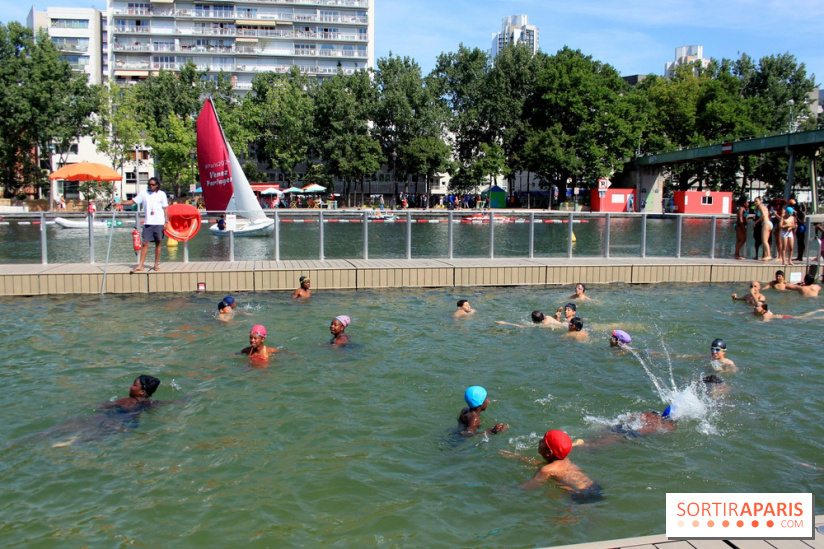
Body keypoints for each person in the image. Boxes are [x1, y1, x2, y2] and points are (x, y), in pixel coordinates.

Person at [503, 430, 601, 501]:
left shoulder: (546, 470)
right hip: (593, 487)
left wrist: (510, 488)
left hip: (581, 495)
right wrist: (519, 457)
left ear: (549, 453)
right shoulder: (565, 461)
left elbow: (532, 485)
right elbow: (545, 465)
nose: (539, 441)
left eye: (542, 441)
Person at [120, 177, 170, 273]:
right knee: (145, 243)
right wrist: (121, 203)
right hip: (148, 222)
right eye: (149, 184)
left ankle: (156, 265)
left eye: (152, 185)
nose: (150, 186)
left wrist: (166, 221)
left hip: (159, 222)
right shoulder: (144, 193)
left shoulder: (162, 194)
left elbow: (165, 208)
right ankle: (141, 265)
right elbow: (133, 201)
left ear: (157, 185)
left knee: (158, 243)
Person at [753, 197, 773, 261]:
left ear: (760, 201)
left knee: (764, 240)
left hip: (766, 223)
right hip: (769, 223)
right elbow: (767, 214)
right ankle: (766, 255)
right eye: (754, 201)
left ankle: (769, 255)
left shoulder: (761, 207)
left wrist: (756, 222)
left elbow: (763, 215)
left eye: (757, 201)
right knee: (766, 241)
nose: (755, 203)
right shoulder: (765, 207)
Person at [495, 310, 563, 328]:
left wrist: (505, 323)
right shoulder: (549, 317)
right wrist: (557, 318)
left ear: (533, 321)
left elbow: (521, 326)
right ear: (544, 315)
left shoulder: (539, 325)